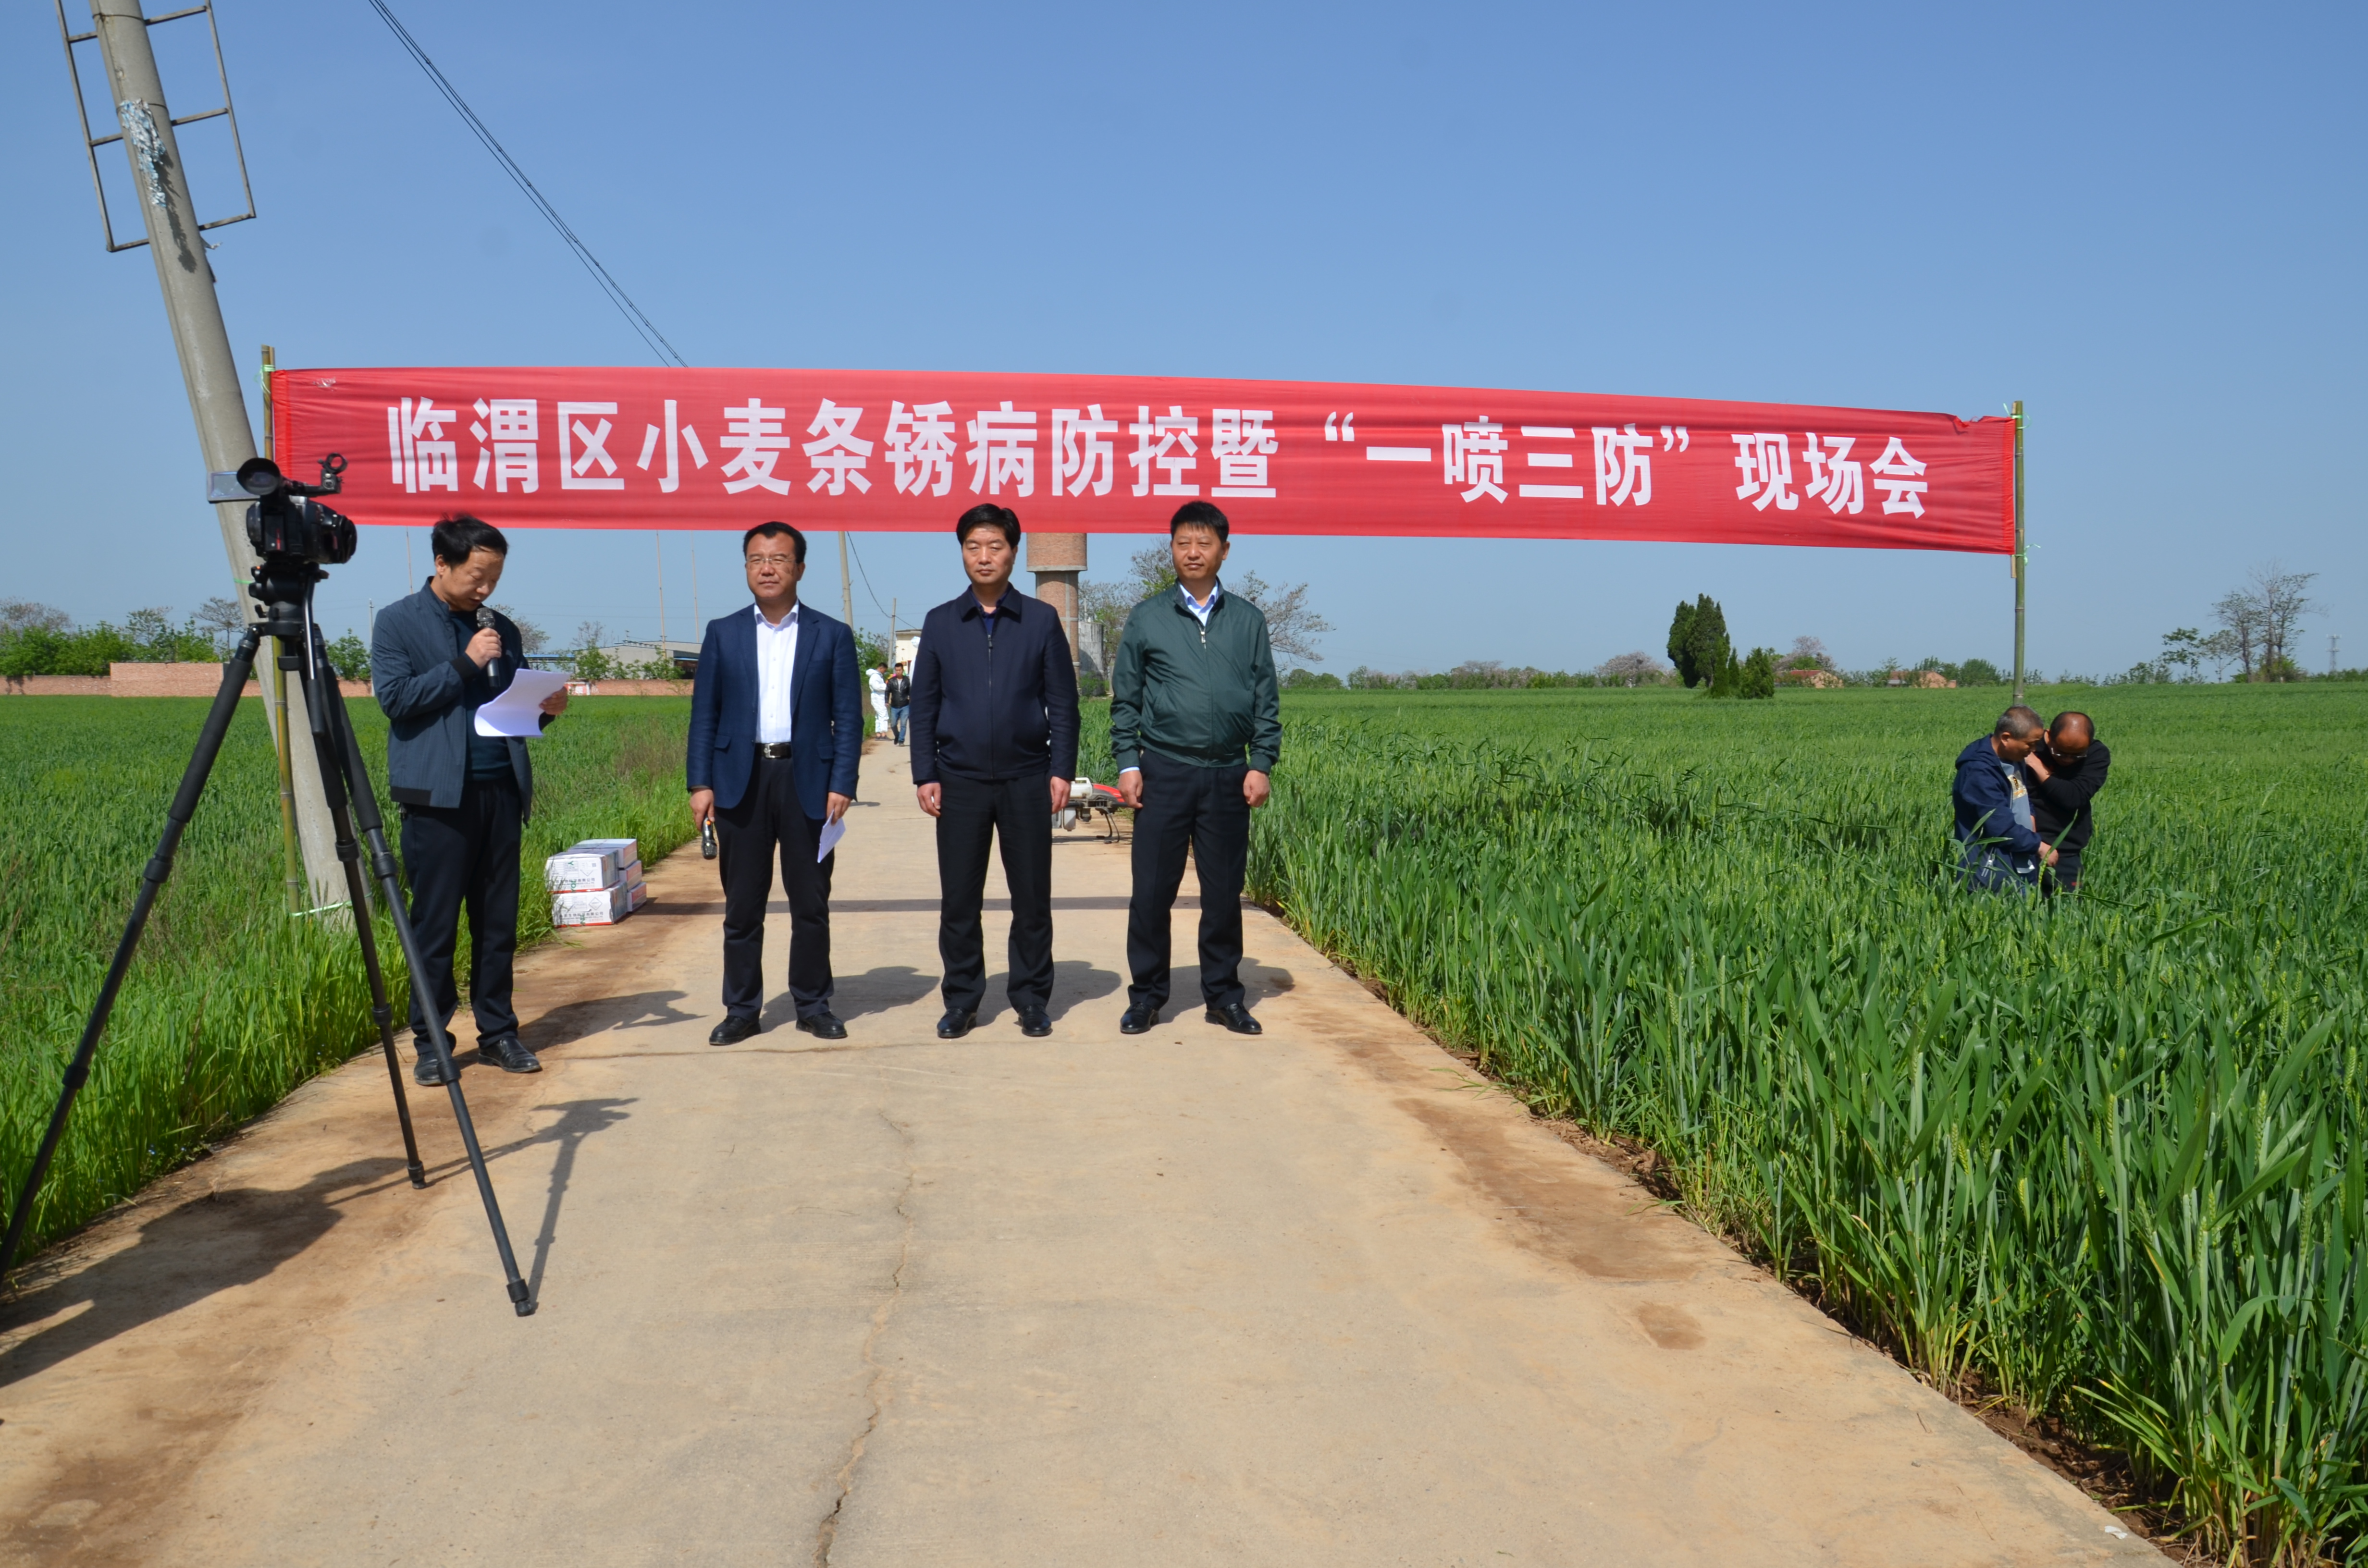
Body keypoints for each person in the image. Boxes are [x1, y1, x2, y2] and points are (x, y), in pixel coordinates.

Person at [370, 515, 567, 1084]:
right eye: (477, 577)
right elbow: (398, 700)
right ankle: (432, 1042)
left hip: (499, 793)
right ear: (442, 564)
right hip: (436, 801)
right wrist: (466, 662)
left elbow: (511, 708)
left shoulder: (500, 626)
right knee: (434, 928)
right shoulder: (397, 623)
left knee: (497, 924)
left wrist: (544, 710)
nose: (486, 590)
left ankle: (499, 1033)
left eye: (495, 578)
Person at [687, 522, 863, 1044]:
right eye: (756, 559)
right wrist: (700, 783)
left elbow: (848, 717)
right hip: (740, 780)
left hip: (808, 780)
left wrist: (843, 781)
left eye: (779, 559)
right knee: (743, 906)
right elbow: (705, 716)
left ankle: (812, 1004)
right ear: (746, 567)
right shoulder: (724, 632)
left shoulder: (831, 635)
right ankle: (741, 1009)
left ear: (800, 569)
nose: (767, 568)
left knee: (810, 904)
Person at [909, 504, 1081, 1039]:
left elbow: (1063, 702)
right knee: (959, 898)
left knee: (1032, 896)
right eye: (973, 547)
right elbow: (923, 706)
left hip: (1027, 777)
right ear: (961, 552)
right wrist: (924, 773)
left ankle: (1031, 998)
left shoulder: (1039, 619)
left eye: (995, 547)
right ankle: (962, 999)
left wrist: (1060, 770)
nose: (984, 557)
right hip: (958, 781)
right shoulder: (941, 622)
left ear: (1013, 552)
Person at [1110, 501, 1281, 1035]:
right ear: (1171, 550)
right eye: (1183, 543)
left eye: (1204, 543)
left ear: (1223, 551)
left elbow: (1265, 699)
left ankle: (1224, 996)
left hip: (1229, 773)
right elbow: (1126, 699)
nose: (1193, 552)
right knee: (1152, 891)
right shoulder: (1148, 616)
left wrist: (1261, 763)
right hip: (1165, 770)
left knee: (1223, 892)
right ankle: (1146, 996)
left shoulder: (1248, 620)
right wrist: (1127, 762)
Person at [1952, 705, 2057, 894]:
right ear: (2007, 738)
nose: (2033, 750)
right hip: (1990, 872)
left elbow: (2021, 795)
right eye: (2030, 744)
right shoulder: (1979, 772)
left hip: (2020, 861)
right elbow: (1998, 825)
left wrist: (2031, 818)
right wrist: (2038, 846)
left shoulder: (2013, 759)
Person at [2023, 710, 2110, 894]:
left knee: (2066, 913)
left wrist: (2036, 765)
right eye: (2060, 753)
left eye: (2077, 755)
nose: (2068, 760)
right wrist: (2035, 843)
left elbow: (2073, 798)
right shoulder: (2028, 747)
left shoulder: (2097, 755)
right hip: (2026, 845)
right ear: (2048, 735)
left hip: (2066, 851)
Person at [884, 661, 913, 746]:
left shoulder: (907, 681)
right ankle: (897, 735)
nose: (898, 672)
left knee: (903, 724)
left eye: (900, 670)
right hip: (894, 706)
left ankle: (901, 741)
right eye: (897, 670)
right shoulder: (891, 681)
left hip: (905, 705)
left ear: (902, 670)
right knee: (893, 724)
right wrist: (886, 701)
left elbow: (911, 691)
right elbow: (887, 691)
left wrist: (911, 699)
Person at [868, 662, 891, 737]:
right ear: (881, 668)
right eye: (884, 670)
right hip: (878, 698)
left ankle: (878, 733)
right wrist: (886, 686)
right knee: (883, 715)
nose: (885, 672)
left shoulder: (878, 676)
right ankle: (883, 733)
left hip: (879, 697)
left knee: (879, 716)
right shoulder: (875, 676)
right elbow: (876, 687)